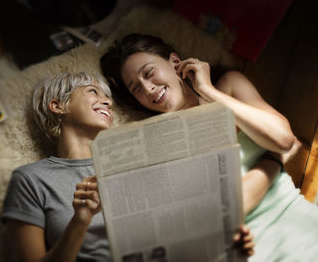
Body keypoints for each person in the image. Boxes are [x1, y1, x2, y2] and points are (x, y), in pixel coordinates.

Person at [100, 34, 318, 261]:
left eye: (149, 73)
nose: (148, 89)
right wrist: (275, 160)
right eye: (136, 88)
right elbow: (221, 213)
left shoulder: (229, 85)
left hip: (299, 223)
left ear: (176, 63)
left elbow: (283, 139)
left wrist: (208, 91)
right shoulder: (157, 143)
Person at [1, 72, 255, 262]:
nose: (107, 102)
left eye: (108, 98)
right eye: (93, 92)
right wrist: (79, 222)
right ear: (58, 106)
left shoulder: (136, 163)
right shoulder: (31, 179)